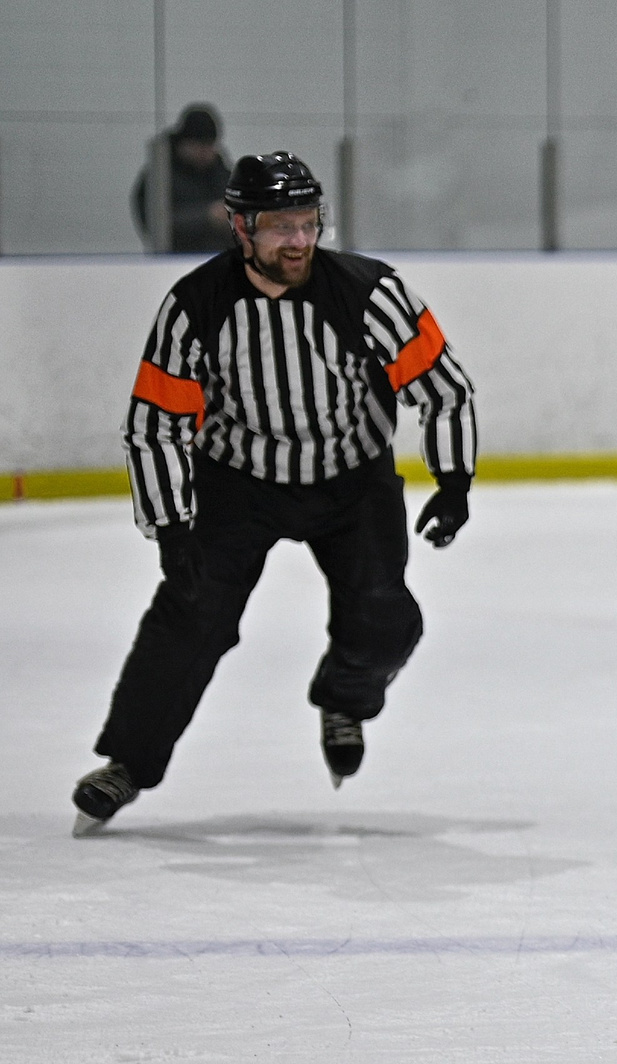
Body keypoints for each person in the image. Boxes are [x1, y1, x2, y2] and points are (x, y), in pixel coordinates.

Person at [71, 152, 477, 834]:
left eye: (309, 222)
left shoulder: (370, 291)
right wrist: (173, 527)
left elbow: (443, 385)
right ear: (241, 228)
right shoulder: (196, 305)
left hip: (352, 480)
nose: (298, 239)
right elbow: (156, 424)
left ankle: (344, 700)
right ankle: (126, 765)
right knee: (189, 616)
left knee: (385, 619)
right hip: (238, 484)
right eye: (280, 225)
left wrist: (455, 479)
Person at [128, 103, 233, 254]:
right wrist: (207, 217)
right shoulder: (160, 178)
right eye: (199, 146)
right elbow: (156, 224)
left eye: (209, 145)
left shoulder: (221, 174)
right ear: (184, 144)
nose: (205, 153)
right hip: (174, 259)